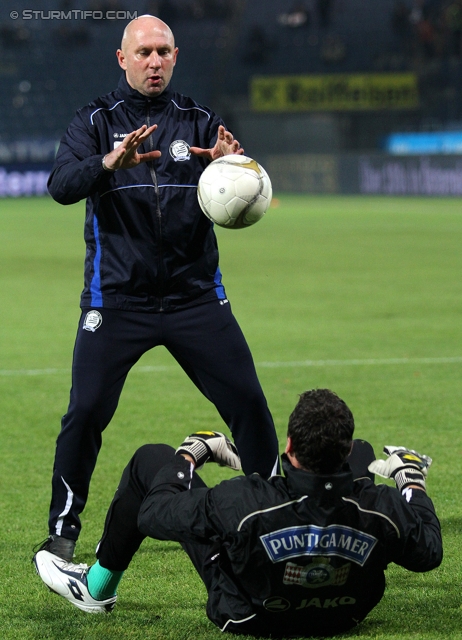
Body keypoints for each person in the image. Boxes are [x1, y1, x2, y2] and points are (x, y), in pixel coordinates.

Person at [37, 14, 280, 563]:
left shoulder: (198, 121)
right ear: (122, 59)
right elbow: (59, 186)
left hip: (195, 298)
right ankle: (62, 529)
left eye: (163, 51)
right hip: (116, 301)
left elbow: (244, 189)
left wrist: (231, 167)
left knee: (248, 403)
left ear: (176, 56)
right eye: (143, 52)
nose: (154, 61)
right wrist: (108, 163)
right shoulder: (94, 120)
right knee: (86, 413)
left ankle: (276, 507)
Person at [34, 389, 442, 637]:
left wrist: (191, 453)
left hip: (246, 616)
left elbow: (155, 513)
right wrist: (410, 481)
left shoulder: (243, 500)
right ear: (345, 454)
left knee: (149, 459)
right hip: (344, 615)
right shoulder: (381, 507)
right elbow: (429, 551)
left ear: (288, 448)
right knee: (371, 451)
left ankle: (97, 587)